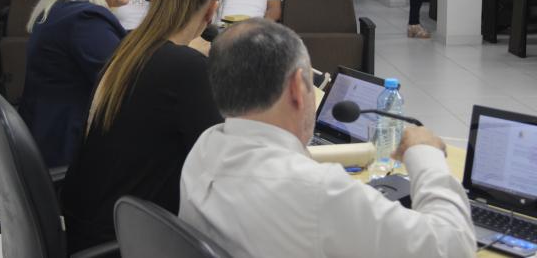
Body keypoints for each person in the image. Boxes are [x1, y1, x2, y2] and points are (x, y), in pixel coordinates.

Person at [179, 18, 477, 258]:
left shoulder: (204, 149)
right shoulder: (319, 191)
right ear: (298, 88)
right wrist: (425, 155)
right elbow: (453, 246)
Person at [61, 0, 224, 254]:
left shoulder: (129, 47)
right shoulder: (186, 68)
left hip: (92, 228)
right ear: (212, 9)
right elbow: (222, 165)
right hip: (127, 241)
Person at [19, 0, 135, 167]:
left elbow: (115, 46)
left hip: (49, 137)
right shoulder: (85, 21)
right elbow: (129, 84)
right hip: (70, 152)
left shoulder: (66, 8)